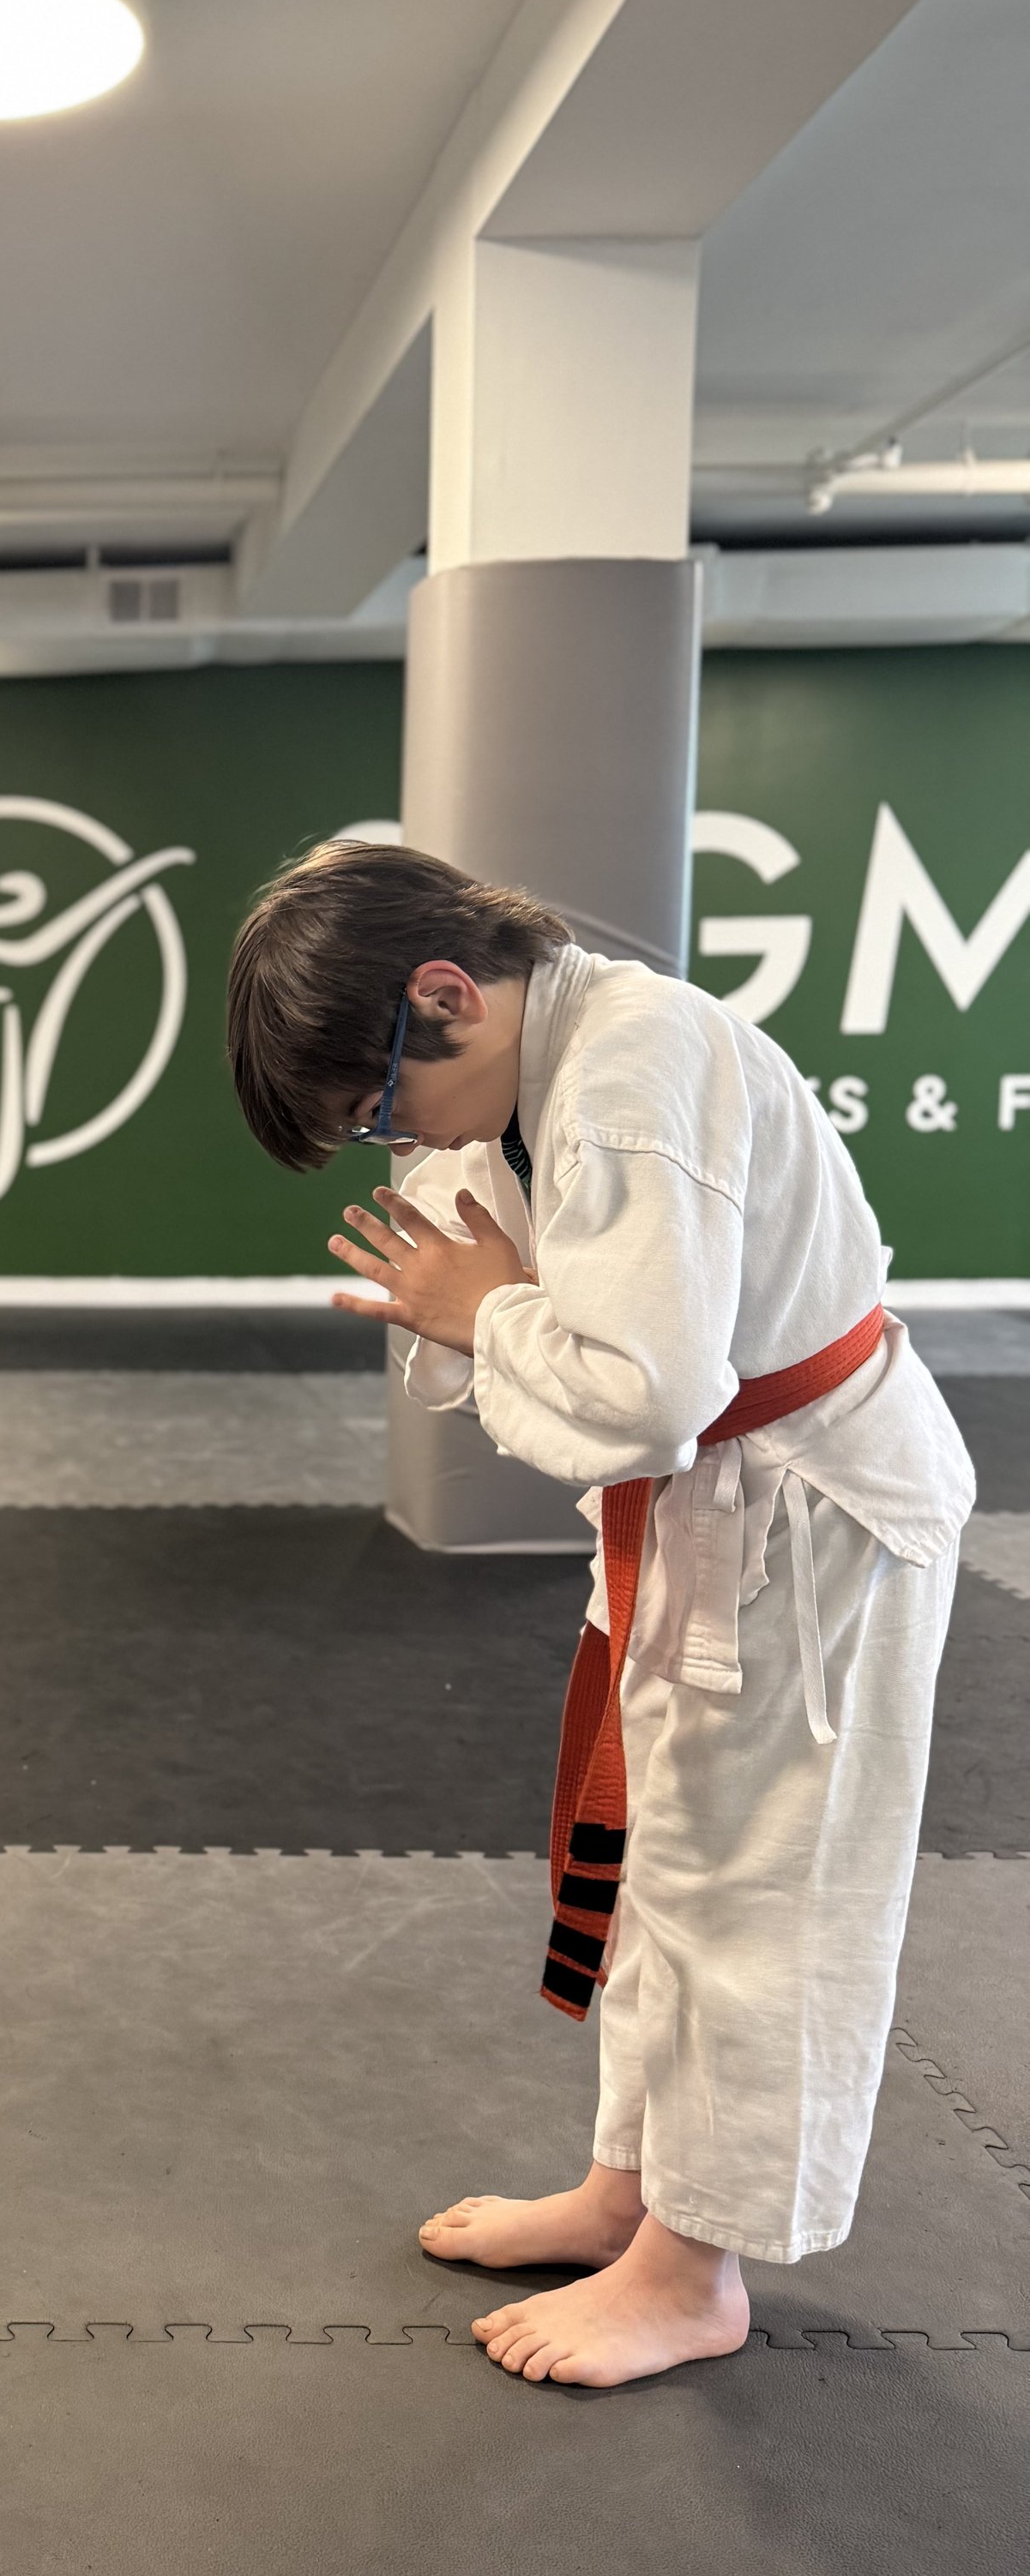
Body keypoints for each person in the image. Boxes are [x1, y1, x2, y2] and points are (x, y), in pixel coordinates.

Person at [225, 838, 972, 2387]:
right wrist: (479, 1306)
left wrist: (485, 1309)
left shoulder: (632, 1066)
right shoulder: (530, 1067)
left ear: (445, 995)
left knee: (760, 1891)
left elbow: (642, 1390)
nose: (390, 1142)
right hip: (709, 1511)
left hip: (811, 1520)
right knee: (665, 1870)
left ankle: (696, 2272)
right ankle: (633, 2194)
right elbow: (487, 1291)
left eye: (375, 1104)